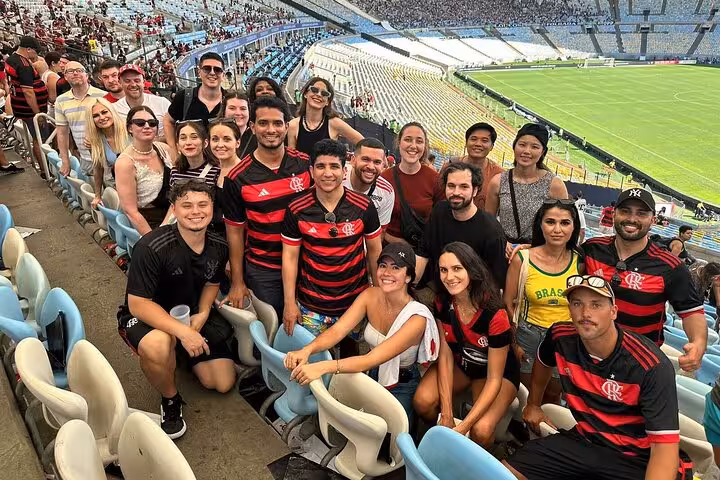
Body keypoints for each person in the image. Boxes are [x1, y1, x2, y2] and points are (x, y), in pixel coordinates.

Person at [503, 275, 682, 480]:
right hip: (584, 440)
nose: (585, 313)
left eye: (596, 305)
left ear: (614, 312)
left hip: (635, 457)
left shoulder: (650, 365)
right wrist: (534, 404)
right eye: (577, 304)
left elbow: (664, 449)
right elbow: (543, 361)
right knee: (501, 473)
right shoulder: (560, 336)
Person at [117, 179, 236, 439]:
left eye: (203, 204)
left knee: (222, 383)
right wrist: (183, 333)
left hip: (190, 314)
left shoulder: (219, 245)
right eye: (187, 205)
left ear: (213, 207)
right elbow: (138, 304)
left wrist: (203, 312)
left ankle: (178, 355)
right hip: (148, 316)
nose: (196, 211)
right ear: (174, 209)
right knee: (159, 345)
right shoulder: (151, 246)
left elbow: (213, 282)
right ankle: (170, 399)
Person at [284, 242, 439, 417]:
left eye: (396, 267)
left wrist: (322, 367)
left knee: (392, 436)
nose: (387, 273)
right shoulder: (370, 295)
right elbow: (338, 330)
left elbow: (371, 358)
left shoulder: (416, 318)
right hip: (372, 374)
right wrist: (306, 350)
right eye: (382, 265)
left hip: (401, 384)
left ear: (409, 277)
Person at [581, 188, 706, 367]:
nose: (632, 219)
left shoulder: (670, 266)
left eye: (641, 213)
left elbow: (692, 311)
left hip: (637, 363)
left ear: (653, 220)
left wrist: (698, 343)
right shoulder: (591, 249)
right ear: (614, 214)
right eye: (625, 211)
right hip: (587, 356)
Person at [413, 242, 519, 446]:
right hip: (463, 362)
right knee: (422, 402)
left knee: (481, 430)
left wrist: (462, 428)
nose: (449, 277)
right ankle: (430, 445)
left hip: (496, 373)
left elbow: (494, 378)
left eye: (457, 268)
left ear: (471, 269)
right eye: (443, 270)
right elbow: (444, 356)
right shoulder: (443, 301)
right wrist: (446, 414)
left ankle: (480, 464)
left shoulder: (494, 313)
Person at [281, 139, 383, 338]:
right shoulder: (296, 208)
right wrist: (289, 303)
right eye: (320, 166)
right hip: (312, 305)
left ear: (344, 171)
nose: (327, 173)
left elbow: (375, 252)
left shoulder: (364, 206)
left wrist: (378, 297)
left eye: (334, 166)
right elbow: (290, 258)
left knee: (350, 355)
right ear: (311, 171)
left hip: (355, 303)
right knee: (313, 361)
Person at [222, 96, 311, 318]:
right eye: (263, 123)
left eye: (277, 123)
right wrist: (237, 281)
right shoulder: (237, 177)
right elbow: (234, 233)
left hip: (307, 265)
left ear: (286, 126)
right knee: (275, 328)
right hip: (264, 270)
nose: (271, 129)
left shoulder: (304, 164)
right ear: (252, 127)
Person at [503, 199, 581, 403]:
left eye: (565, 223)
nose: (557, 229)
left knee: (554, 394)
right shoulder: (522, 259)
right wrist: (514, 343)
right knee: (529, 396)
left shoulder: (580, 262)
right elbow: (508, 304)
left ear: (574, 227)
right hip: (528, 335)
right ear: (540, 224)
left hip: (565, 337)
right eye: (550, 222)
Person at [415, 162, 507, 294]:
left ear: (475, 190)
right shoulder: (439, 211)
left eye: (464, 187)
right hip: (437, 289)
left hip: (473, 297)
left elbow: (497, 282)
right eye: (451, 186)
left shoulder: (491, 230)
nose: (456, 192)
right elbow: (423, 253)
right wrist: (411, 287)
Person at [485, 123, 568, 253]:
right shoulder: (498, 181)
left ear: (543, 152)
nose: (526, 151)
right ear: (514, 146)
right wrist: (502, 241)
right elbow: (488, 222)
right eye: (522, 145)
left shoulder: (554, 185)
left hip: (540, 252)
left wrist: (534, 246)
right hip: (505, 251)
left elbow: (564, 225)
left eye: (534, 147)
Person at [380, 122, 443, 249]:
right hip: (390, 253)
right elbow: (375, 222)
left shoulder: (435, 179)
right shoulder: (384, 178)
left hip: (421, 253)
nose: (413, 146)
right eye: (408, 140)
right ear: (399, 143)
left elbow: (441, 221)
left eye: (419, 141)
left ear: (425, 146)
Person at [114, 106, 173, 234]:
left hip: (173, 213)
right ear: (130, 128)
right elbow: (131, 211)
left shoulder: (164, 149)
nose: (147, 126)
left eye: (152, 123)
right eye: (140, 123)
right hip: (149, 222)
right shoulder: (125, 163)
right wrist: (153, 240)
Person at [165, 52, 226, 156]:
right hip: (190, 165)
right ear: (199, 72)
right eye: (207, 69)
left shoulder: (230, 101)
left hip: (222, 163)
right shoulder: (184, 97)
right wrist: (173, 150)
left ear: (223, 74)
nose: (212, 73)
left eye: (217, 70)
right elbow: (168, 121)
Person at [435, 122, 503, 211]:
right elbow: (438, 198)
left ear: (492, 146)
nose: (478, 144)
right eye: (473, 139)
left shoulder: (498, 174)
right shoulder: (449, 166)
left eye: (484, 140)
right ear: (466, 142)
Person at [287, 77, 363, 157]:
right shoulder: (293, 125)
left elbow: (362, 143)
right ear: (306, 94)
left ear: (327, 102)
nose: (319, 95)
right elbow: (291, 159)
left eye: (324, 94)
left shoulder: (335, 123)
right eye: (314, 90)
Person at [56, 61, 106, 175]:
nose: (75, 73)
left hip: (105, 157)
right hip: (85, 159)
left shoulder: (102, 96)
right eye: (70, 71)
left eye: (79, 71)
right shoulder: (61, 101)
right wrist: (65, 161)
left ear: (86, 75)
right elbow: (62, 133)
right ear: (65, 77)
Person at [6, 36, 48, 169]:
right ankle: (45, 169)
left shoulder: (12, 59)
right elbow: (29, 93)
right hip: (29, 110)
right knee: (40, 139)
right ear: (29, 49)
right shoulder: (23, 65)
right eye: (36, 51)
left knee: (38, 138)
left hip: (20, 106)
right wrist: (38, 114)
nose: (37, 55)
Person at [342, 137, 395, 228]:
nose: (371, 166)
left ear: (383, 166)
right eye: (365, 159)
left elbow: (380, 233)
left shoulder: (386, 192)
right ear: (353, 160)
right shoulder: (337, 177)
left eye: (377, 162)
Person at [85, 98, 129, 202]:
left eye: (104, 112)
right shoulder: (94, 141)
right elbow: (98, 168)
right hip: (118, 187)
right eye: (95, 116)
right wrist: (97, 196)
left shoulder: (130, 129)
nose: (102, 118)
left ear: (112, 111)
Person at [113, 65, 171, 141]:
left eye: (137, 80)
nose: (133, 85)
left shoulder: (162, 103)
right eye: (127, 81)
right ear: (120, 83)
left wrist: (152, 141)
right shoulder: (114, 109)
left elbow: (176, 131)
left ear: (143, 82)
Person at [169, 121, 219, 188]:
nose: (188, 143)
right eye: (183, 138)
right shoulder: (175, 172)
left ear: (205, 143)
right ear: (178, 145)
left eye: (194, 137)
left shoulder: (216, 171)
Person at [220, 91, 254, 159]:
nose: (238, 113)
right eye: (232, 108)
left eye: (243, 109)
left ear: (249, 112)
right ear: (224, 111)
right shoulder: (214, 136)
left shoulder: (258, 138)